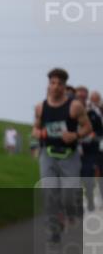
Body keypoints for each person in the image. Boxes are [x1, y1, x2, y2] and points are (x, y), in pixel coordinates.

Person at [33, 68, 93, 244]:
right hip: (48, 154)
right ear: (48, 85)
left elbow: (87, 127)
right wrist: (39, 133)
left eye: (59, 83)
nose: (55, 86)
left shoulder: (75, 107)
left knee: (68, 194)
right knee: (49, 192)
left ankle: (68, 213)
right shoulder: (41, 107)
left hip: (69, 155)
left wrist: (75, 135)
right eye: (52, 83)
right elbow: (35, 128)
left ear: (65, 86)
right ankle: (54, 229)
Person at [74, 86, 103, 212]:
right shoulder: (72, 111)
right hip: (74, 149)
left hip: (92, 150)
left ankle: (90, 198)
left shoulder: (94, 114)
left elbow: (100, 131)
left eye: (97, 100)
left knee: (88, 174)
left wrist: (93, 135)